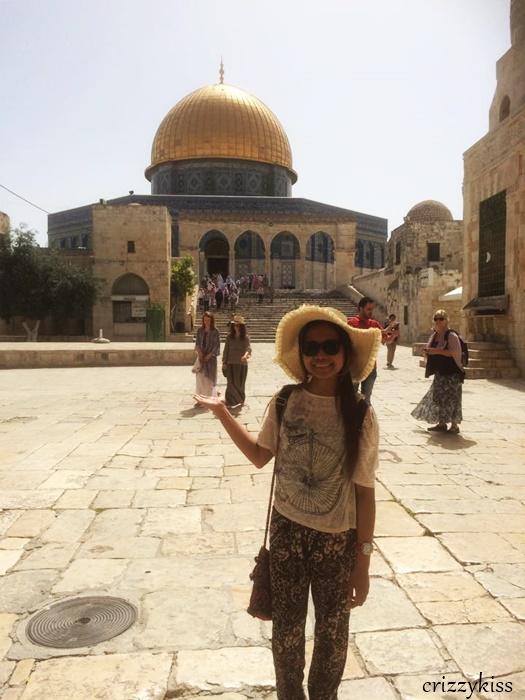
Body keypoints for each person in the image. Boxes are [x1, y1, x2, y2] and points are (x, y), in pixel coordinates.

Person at [195, 305, 381, 700]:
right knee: (287, 633)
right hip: (288, 533)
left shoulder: (361, 413)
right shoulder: (285, 401)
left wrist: (362, 563)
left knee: (332, 636)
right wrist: (223, 413)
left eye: (331, 346)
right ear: (301, 354)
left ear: (346, 352)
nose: (321, 355)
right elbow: (261, 455)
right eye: (312, 347)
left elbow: (365, 493)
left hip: (336, 541)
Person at [411, 309, 464, 434]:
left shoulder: (451, 335)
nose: (438, 321)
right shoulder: (434, 336)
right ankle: (441, 423)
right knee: (439, 398)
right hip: (440, 373)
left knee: (452, 399)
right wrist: (427, 352)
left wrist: (435, 351)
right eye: (436, 318)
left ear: (446, 320)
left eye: (441, 318)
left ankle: (454, 425)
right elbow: (431, 350)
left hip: (452, 373)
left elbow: (454, 353)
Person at [347, 297, 385, 404]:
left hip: (371, 367)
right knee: (351, 398)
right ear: (360, 308)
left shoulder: (374, 324)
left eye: (372, 309)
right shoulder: (351, 323)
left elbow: (384, 340)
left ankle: (364, 420)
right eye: (369, 309)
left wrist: (392, 335)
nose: (371, 312)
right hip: (354, 366)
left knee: (366, 400)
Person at [222, 315, 252, 408]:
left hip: (241, 364)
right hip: (230, 363)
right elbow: (226, 350)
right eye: (235, 325)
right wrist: (224, 363)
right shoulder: (229, 337)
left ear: (242, 327)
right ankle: (230, 401)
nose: (236, 327)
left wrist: (245, 355)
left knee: (240, 383)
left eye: (238, 326)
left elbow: (248, 348)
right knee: (230, 383)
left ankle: (240, 400)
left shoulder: (245, 338)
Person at [194, 312, 220, 403]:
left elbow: (217, 346)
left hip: (211, 359)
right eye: (205, 320)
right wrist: (200, 353)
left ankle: (208, 400)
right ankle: (200, 400)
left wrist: (209, 355)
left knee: (209, 380)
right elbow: (197, 343)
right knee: (200, 379)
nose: (206, 322)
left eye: (208, 320)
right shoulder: (200, 330)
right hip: (201, 358)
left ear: (212, 320)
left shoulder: (215, 331)